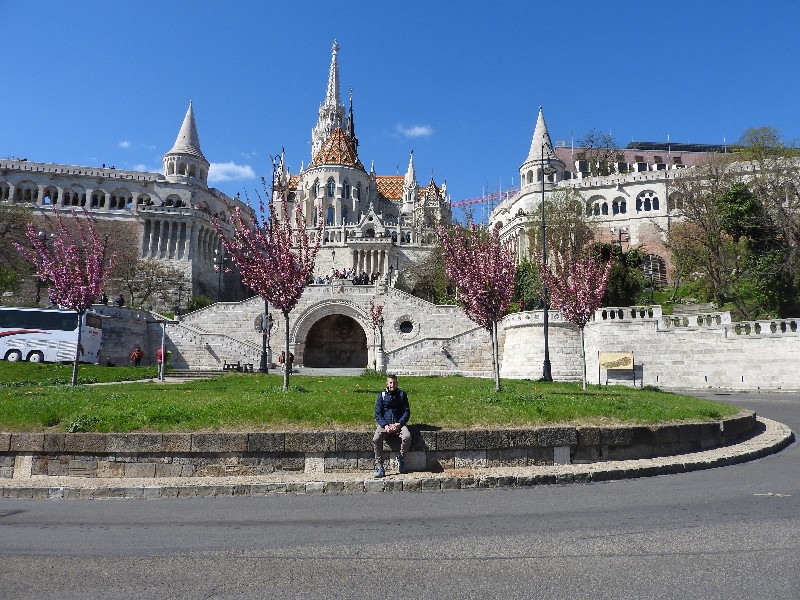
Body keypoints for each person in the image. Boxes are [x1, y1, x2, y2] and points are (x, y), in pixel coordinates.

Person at [372, 374, 411, 478]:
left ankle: (401, 458)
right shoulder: (382, 395)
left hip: (398, 424)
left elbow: (406, 412)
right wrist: (385, 425)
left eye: (394, 382)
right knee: (376, 439)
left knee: (407, 437)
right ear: (387, 383)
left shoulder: (402, 395)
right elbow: (377, 413)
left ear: (397, 383)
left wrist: (400, 423)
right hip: (385, 424)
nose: (392, 384)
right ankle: (379, 466)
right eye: (390, 382)